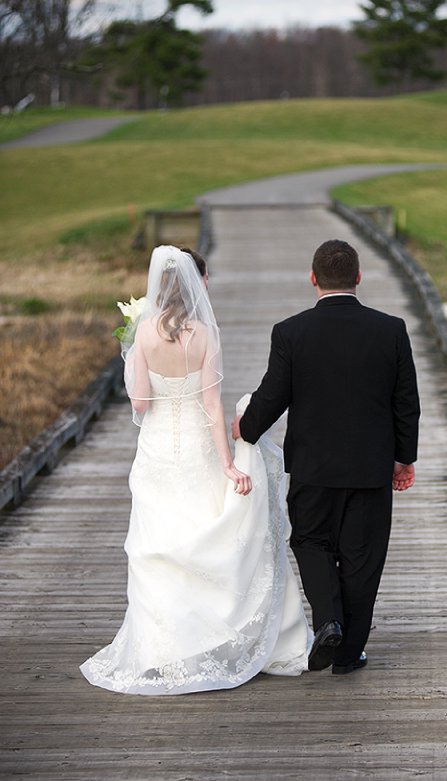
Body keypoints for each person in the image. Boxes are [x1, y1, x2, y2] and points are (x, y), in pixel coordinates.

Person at [81, 245, 313, 695]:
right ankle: (210, 642)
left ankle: (162, 652)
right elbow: (211, 404)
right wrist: (228, 463)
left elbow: (141, 403)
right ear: (193, 285)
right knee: (202, 538)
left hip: (157, 451)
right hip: (198, 449)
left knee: (158, 546)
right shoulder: (205, 334)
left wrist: (132, 358)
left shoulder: (144, 334)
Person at [233, 239, 420, 676]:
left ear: (313, 279)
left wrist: (246, 428)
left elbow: (273, 396)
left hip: (314, 468)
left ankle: (328, 619)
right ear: (358, 278)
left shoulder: (291, 332)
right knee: (363, 557)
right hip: (371, 469)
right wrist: (403, 458)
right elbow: (405, 402)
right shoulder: (391, 330)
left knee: (310, 542)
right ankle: (349, 653)